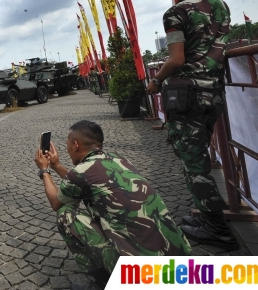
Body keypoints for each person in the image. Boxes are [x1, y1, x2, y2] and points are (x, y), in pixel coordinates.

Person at [146, 0, 238, 251]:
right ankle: (209, 218)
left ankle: (216, 228)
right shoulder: (220, 6)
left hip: (188, 97)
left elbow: (176, 59)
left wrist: (155, 81)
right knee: (200, 156)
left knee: (193, 162)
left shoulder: (175, 12)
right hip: (215, 93)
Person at [35, 121, 190, 290]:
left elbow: (56, 203)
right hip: (180, 262)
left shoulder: (80, 173)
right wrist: (57, 165)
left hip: (143, 274)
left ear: (75, 145)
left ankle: (104, 283)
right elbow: (80, 182)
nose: (67, 149)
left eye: (67, 145)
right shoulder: (118, 159)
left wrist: (45, 170)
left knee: (65, 214)